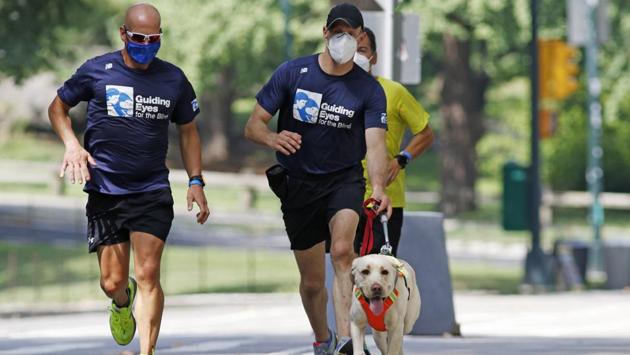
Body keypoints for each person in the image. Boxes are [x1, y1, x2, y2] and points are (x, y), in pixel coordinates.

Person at [47, 4, 209, 355]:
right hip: (105, 190)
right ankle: (122, 301)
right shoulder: (97, 71)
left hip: (151, 190)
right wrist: (72, 144)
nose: (146, 45)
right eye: (138, 38)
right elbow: (57, 107)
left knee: (149, 273)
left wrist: (196, 180)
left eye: (154, 40)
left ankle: (146, 351)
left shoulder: (174, 79)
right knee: (111, 282)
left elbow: (189, 130)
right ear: (123, 34)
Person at [244, 3, 391, 354]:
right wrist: (273, 139)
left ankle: (347, 342)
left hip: (344, 181)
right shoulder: (294, 73)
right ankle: (323, 339)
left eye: (352, 35)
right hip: (298, 184)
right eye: (338, 32)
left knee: (343, 252)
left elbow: (374, 145)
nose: (345, 40)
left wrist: (380, 187)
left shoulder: (368, 90)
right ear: (326, 33)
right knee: (311, 282)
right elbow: (253, 125)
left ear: (360, 39)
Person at [353, 27, 434, 257]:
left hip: (385, 200)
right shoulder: (334, 91)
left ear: (373, 57)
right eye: (352, 50)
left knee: (380, 274)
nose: (356, 56)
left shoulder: (393, 92)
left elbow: (426, 133)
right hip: (344, 195)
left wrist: (401, 159)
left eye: (362, 50)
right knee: (346, 268)